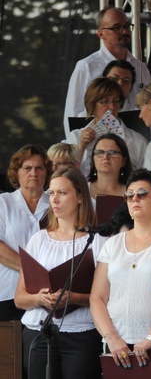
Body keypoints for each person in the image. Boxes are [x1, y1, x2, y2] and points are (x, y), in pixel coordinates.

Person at [15, 168, 105, 379]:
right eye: (51, 193)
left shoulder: (99, 241)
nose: (54, 200)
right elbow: (19, 299)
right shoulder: (39, 239)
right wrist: (40, 298)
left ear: (80, 197)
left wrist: (74, 298)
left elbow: (108, 297)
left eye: (62, 193)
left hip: (81, 335)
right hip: (38, 333)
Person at [90, 169, 151, 368]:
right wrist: (112, 339)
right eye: (129, 195)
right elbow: (97, 297)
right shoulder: (113, 243)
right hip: (116, 347)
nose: (134, 198)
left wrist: (150, 339)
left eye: (142, 194)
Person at [64, 7, 151, 137]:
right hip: (96, 144)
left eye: (127, 26)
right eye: (116, 27)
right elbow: (73, 114)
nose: (124, 31)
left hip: (136, 139)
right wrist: (78, 147)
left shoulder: (141, 67)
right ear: (101, 34)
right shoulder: (87, 66)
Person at [0, 145, 51, 321]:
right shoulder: (3, 202)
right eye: (27, 168)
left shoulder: (56, 203)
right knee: (9, 348)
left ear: (46, 172)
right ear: (16, 172)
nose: (33, 173)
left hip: (47, 294)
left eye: (39, 168)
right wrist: (31, 271)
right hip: (7, 291)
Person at [66, 77, 146, 176]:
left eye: (116, 101)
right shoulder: (75, 137)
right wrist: (82, 145)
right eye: (104, 101)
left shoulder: (137, 141)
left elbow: (144, 178)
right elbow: (66, 173)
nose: (112, 107)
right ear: (91, 104)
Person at [87, 134, 133, 201]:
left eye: (112, 152)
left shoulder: (132, 193)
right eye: (100, 152)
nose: (105, 157)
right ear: (93, 159)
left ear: (123, 161)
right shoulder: (81, 189)